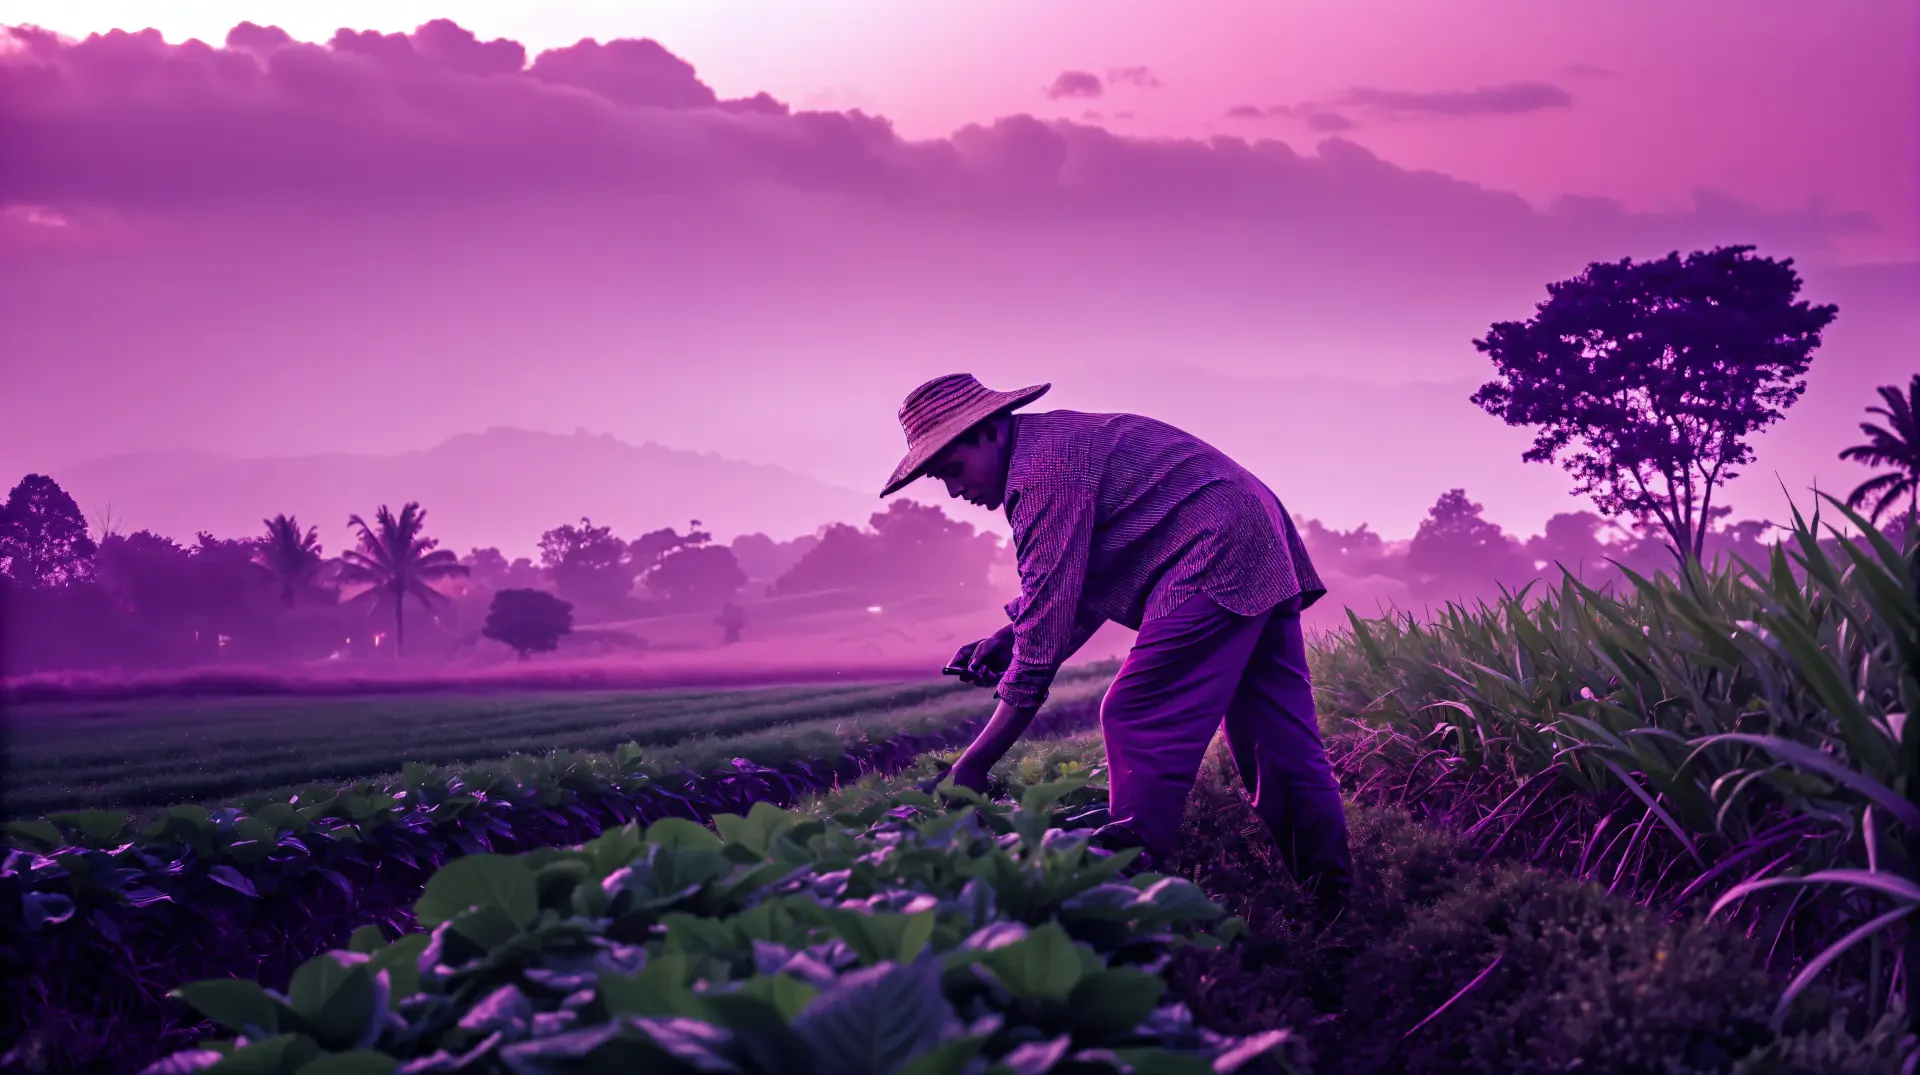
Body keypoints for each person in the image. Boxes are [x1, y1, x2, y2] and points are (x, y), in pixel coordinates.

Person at [881, 372, 1355, 920]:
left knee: (1136, 713)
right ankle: (1333, 903)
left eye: (953, 470)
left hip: (1213, 549)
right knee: (1274, 739)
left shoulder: (1041, 474)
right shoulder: (1051, 447)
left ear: (988, 432)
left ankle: (1128, 891)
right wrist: (1008, 636)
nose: (954, 490)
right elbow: (1067, 592)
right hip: (1253, 534)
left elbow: (1043, 644)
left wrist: (974, 763)